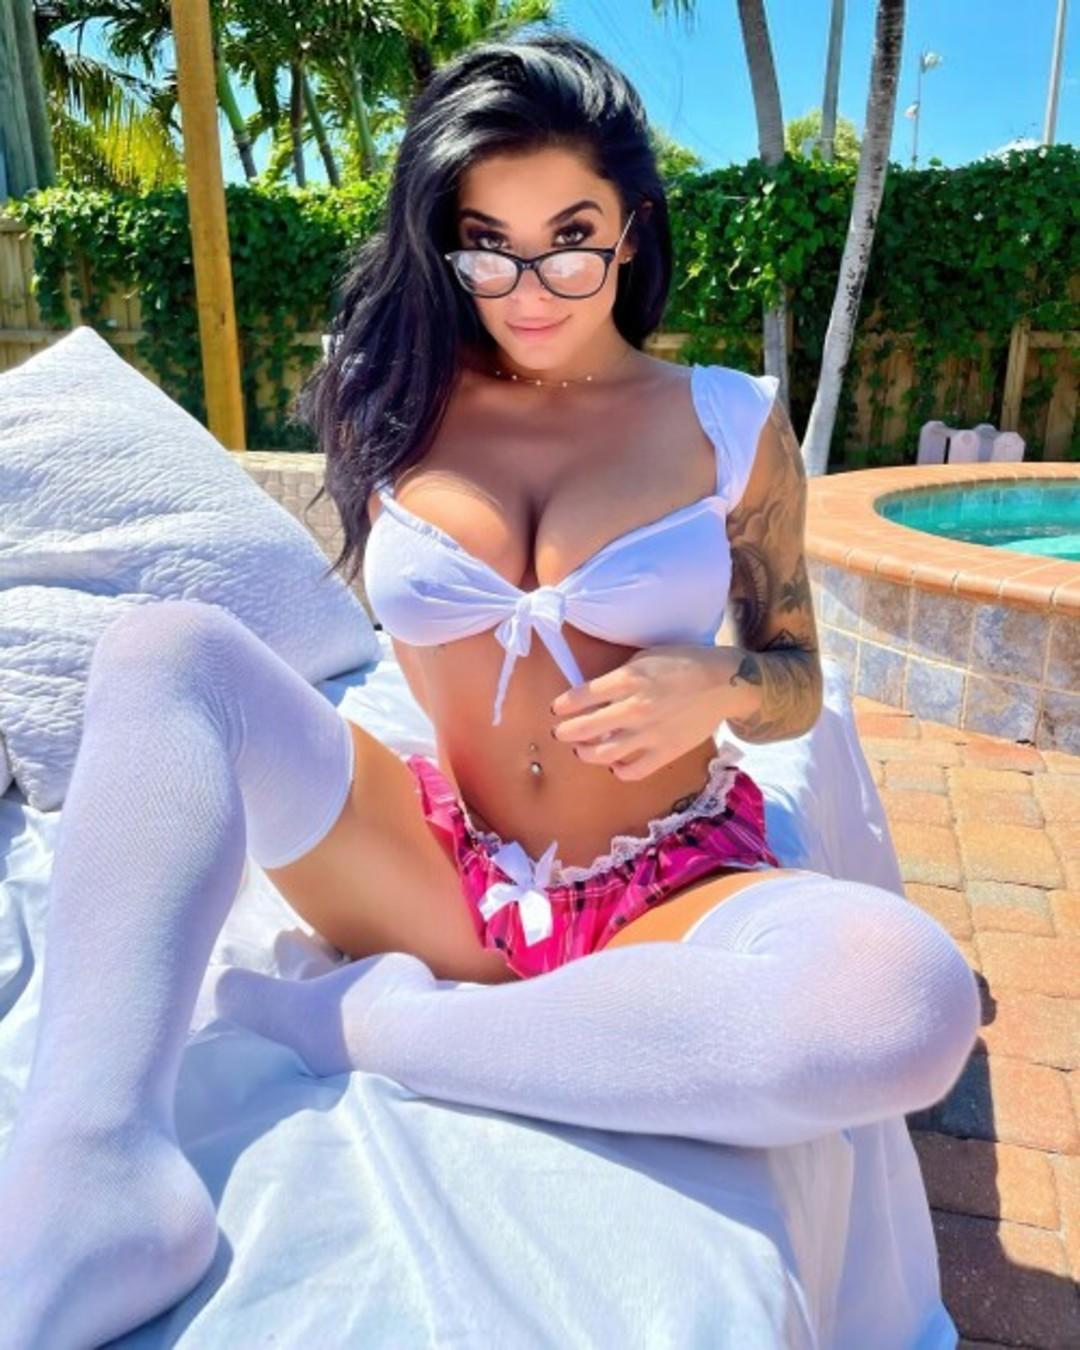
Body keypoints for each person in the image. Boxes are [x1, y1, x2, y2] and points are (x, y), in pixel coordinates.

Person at [0, 32, 979, 1350]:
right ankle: (94, 1170)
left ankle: (377, 1026)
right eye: (487, 244)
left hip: (664, 889)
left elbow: (799, 680)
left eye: (570, 240)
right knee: (164, 653)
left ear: (631, 231)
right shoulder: (390, 399)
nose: (530, 287)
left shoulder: (731, 425)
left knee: (908, 1001)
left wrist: (719, 682)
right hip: (437, 869)